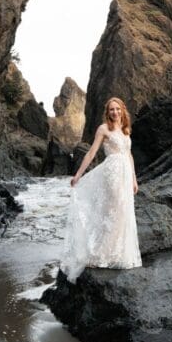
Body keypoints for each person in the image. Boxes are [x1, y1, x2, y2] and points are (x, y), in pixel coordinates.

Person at [61, 97, 142, 282]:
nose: (115, 112)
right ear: (108, 112)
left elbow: (129, 155)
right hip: (112, 173)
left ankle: (116, 253)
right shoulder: (104, 129)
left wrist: (134, 180)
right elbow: (91, 152)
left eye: (118, 109)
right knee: (114, 211)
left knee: (123, 213)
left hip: (125, 174)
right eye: (112, 110)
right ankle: (98, 254)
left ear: (122, 110)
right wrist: (78, 175)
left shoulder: (126, 129)